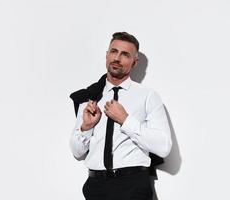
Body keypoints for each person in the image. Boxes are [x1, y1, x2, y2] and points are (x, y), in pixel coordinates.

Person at [69, 32, 172, 200]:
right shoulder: (90, 96)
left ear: (134, 62)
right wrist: (85, 128)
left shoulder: (148, 96)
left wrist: (125, 120)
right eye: (114, 51)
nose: (117, 58)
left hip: (133, 186)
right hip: (95, 187)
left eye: (125, 54)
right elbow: (77, 152)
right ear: (107, 55)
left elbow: (163, 146)